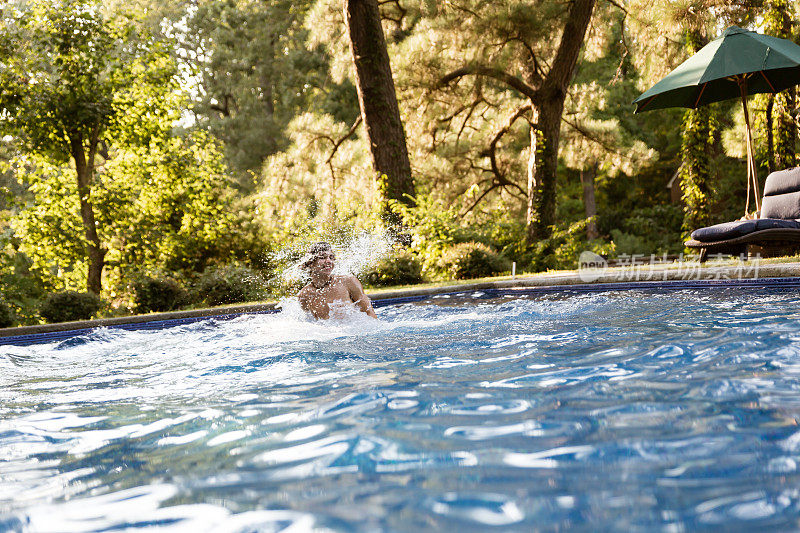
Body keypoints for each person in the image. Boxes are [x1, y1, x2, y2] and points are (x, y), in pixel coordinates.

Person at [297, 242, 377, 320]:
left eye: (331, 257)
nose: (328, 261)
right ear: (311, 263)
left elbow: (369, 313)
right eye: (322, 257)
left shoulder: (348, 281)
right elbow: (309, 323)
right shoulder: (305, 295)